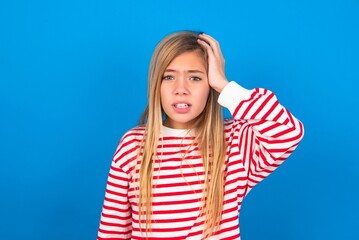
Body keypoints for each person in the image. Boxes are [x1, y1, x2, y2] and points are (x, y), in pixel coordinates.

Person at [97, 31, 304, 240]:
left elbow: (288, 131)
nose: (181, 89)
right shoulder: (133, 145)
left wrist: (223, 85)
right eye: (168, 77)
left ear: (210, 86)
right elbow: (112, 232)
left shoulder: (235, 142)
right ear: (156, 85)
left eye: (195, 77)